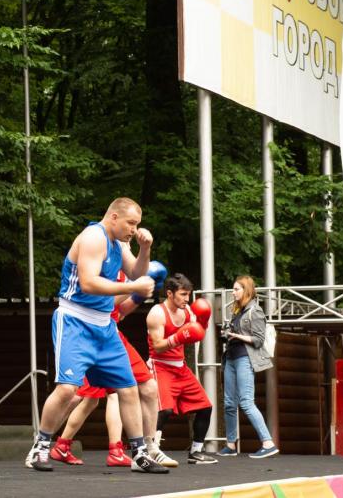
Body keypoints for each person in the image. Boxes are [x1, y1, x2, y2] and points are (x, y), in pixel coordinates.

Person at [24, 197, 168, 474]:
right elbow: (89, 283)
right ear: (114, 217)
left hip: (104, 326)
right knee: (68, 390)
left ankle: (139, 453)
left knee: (128, 388)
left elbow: (136, 272)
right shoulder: (93, 237)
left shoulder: (118, 244)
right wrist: (132, 288)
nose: (134, 229)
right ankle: (40, 446)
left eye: (137, 224)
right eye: (130, 223)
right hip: (75, 321)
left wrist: (145, 249)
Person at [51, 275, 177, 468]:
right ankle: (45, 443)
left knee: (104, 396)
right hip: (92, 334)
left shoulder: (126, 269)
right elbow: (101, 299)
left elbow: (120, 312)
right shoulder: (102, 265)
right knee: (78, 395)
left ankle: (144, 448)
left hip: (110, 334)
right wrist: (134, 288)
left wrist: (137, 294)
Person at [146, 273, 217, 465]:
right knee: (164, 410)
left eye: (189, 294)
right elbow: (158, 346)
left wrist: (203, 322)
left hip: (180, 367)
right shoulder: (157, 313)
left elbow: (196, 334)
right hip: (160, 366)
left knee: (205, 407)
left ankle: (196, 452)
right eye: (183, 294)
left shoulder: (187, 312)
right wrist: (178, 337)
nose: (187, 299)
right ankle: (152, 451)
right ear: (170, 293)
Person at [217, 275, 279, 459]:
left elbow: (258, 340)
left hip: (245, 358)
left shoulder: (255, 310)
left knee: (246, 402)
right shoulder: (238, 310)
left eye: (236, 289)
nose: (233, 292)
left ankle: (268, 443)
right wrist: (228, 334)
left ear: (247, 291)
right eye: (233, 289)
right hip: (230, 358)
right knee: (229, 403)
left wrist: (237, 336)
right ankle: (230, 445)